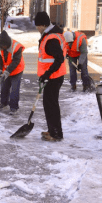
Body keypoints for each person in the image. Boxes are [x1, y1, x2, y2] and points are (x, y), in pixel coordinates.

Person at [34, 11, 67, 142]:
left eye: (37, 26)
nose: (37, 29)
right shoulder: (51, 35)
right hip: (52, 76)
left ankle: (56, 134)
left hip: (53, 77)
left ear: (43, 24)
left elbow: (59, 59)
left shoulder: (51, 38)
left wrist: (47, 74)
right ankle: (52, 130)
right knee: (49, 105)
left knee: (51, 105)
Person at [0, 30, 25, 115]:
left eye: (3, 46)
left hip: (17, 69)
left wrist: (7, 72)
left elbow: (16, 61)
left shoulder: (16, 47)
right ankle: (3, 103)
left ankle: (14, 107)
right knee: (4, 87)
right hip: (5, 70)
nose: (1, 47)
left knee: (14, 89)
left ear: (7, 45)